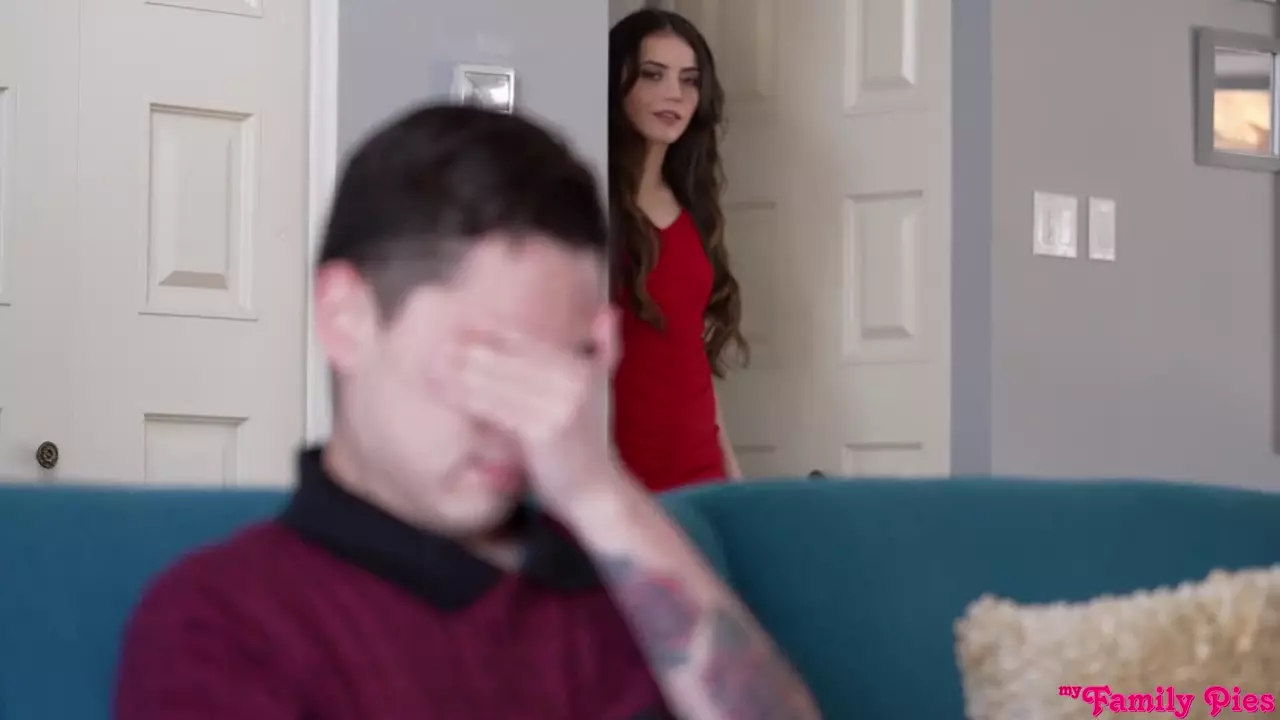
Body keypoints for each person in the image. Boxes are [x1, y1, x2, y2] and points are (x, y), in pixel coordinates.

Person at [112, 105, 819, 720]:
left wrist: (601, 494)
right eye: (485, 363)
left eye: (559, 366)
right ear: (346, 318)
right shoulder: (223, 619)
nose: (523, 419)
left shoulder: (616, 581)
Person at [609, 9, 749, 493]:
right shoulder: (591, 204)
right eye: (653, 75)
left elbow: (691, 355)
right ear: (618, 82)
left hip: (701, 469)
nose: (675, 94)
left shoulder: (693, 207)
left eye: (689, 80)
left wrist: (732, 473)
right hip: (620, 471)